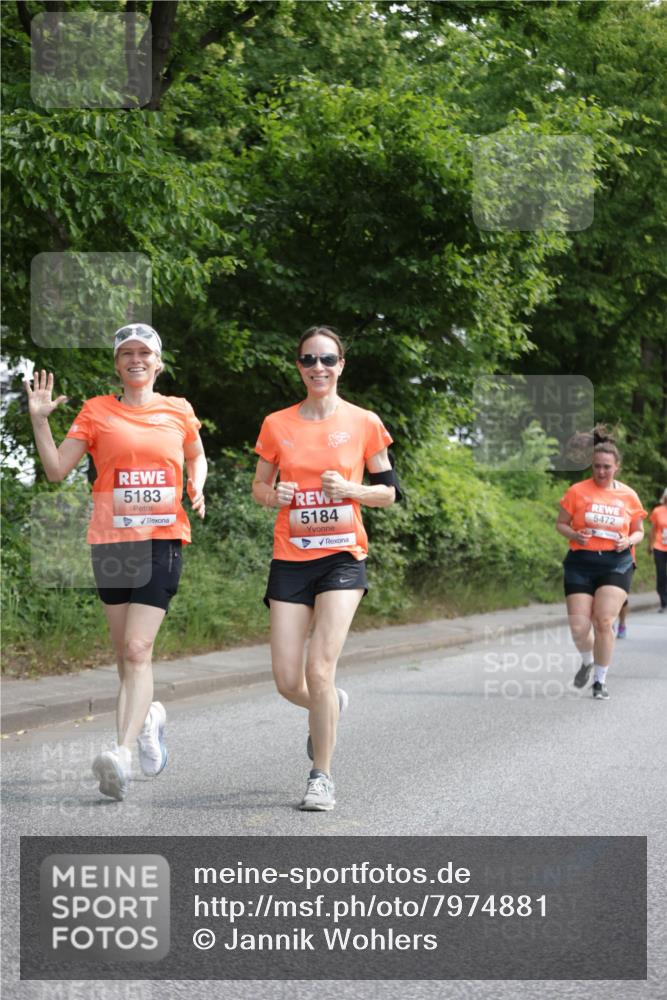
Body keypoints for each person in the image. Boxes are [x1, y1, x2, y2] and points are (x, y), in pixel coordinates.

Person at [25, 324, 207, 800]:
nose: (135, 359)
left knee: (136, 650)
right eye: (126, 353)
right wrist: (40, 420)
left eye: (144, 352)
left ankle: (121, 755)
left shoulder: (178, 410)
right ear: (117, 364)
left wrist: (198, 483)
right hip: (111, 542)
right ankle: (149, 721)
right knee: (125, 656)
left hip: (162, 539)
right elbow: (55, 470)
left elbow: (197, 454)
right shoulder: (97, 412)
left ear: (158, 362)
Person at [252, 326, 400, 811]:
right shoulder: (277, 424)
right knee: (286, 680)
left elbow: (389, 492)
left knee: (320, 669)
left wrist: (352, 492)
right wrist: (277, 495)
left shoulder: (363, 422)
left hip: (342, 557)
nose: (319, 367)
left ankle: (322, 776)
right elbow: (259, 487)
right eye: (309, 359)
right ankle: (330, 705)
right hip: (290, 558)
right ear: (298, 366)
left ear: (341, 365)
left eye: (328, 359)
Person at [556, 428, 646, 700]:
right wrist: (574, 534)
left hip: (616, 562)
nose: (601, 472)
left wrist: (628, 540)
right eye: (597, 467)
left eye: (607, 467)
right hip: (580, 562)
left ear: (616, 467)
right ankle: (587, 661)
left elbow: (640, 530)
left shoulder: (628, 496)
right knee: (579, 626)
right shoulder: (576, 491)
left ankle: (600, 680)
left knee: (604, 620)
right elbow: (560, 524)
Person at [648, 487, 667, 612]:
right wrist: (650, 545)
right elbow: (653, 530)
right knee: (661, 574)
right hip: (659, 547)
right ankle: (663, 602)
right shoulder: (658, 511)